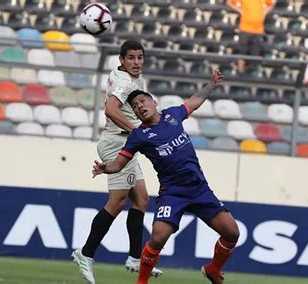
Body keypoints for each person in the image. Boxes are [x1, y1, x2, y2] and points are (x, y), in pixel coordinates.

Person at [91, 69, 240, 284]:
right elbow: (119, 163)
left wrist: (212, 84)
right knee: (158, 236)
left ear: (154, 103)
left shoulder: (173, 115)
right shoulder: (139, 136)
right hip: (173, 193)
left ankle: (213, 269)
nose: (140, 106)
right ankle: (141, 282)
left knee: (232, 232)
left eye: (143, 101)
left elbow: (194, 101)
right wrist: (106, 168)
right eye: (135, 107)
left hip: (199, 189)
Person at [72, 40, 162, 284]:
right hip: (116, 144)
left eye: (140, 57)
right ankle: (85, 253)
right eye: (131, 58)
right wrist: (136, 132)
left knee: (141, 199)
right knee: (117, 201)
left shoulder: (126, 78)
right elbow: (111, 110)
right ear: (121, 60)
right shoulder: (124, 82)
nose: (136, 62)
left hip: (124, 143)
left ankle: (135, 257)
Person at [227, 0, 275, 73]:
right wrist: (239, 10)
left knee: (255, 53)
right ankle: (240, 74)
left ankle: (251, 74)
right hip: (245, 29)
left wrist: (265, 12)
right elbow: (229, 2)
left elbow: (270, 4)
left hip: (258, 30)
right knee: (242, 52)